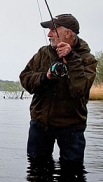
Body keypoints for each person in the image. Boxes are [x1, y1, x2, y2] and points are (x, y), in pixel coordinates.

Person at [19, 14, 98, 163]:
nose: (48, 34)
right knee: (36, 173)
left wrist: (72, 59)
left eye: (53, 30)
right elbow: (25, 78)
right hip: (40, 124)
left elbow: (79, 90)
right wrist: (45, 77)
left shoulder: (87, 59)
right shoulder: (43, 53)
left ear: (68, 33)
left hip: (72, 127)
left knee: (72, 174)